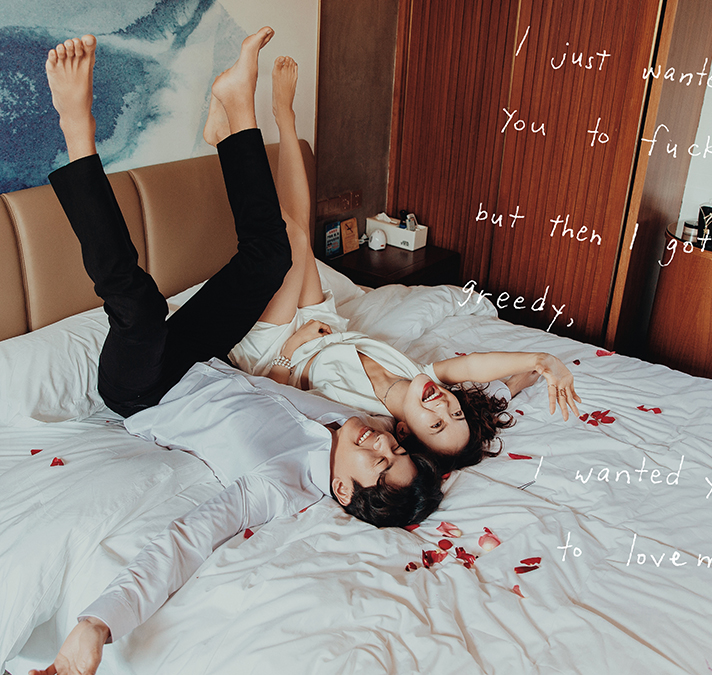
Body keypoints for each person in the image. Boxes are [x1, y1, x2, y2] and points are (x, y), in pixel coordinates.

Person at [31, 31, 443, 675]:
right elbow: (409, 415)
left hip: (143, 389)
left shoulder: (279, 487)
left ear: (341, 491)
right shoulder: (347, 422)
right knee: (272, 254)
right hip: (202, 359)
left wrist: (95, 624)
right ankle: (235, 113)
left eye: (378, 464)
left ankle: (76, 129)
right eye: (394, 450)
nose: (381, 446)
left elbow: (188, 538)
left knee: (138, 304)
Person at [226, 57, 583, 473]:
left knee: (294, 239)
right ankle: (284, 119)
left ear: (404, 431)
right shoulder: (416, 374)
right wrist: (540, 360)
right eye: (455, 412)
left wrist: (290, 350)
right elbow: (473, 367)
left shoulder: (361, 420)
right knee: (301, 232)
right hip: (325, 325)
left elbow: (272, 400)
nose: (443, 406)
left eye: (436, 424)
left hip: (277, 353)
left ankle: (236, 126)